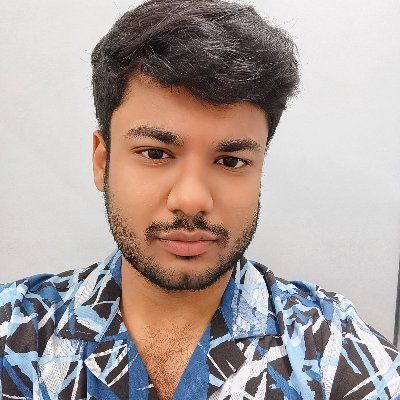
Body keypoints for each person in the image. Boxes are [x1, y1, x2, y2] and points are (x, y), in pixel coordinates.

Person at [1, 0, 399, 398]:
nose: (191, 200)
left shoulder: (333, 351)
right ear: (102, 162)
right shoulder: (14, 334)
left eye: (230, 160)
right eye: (155, 153)